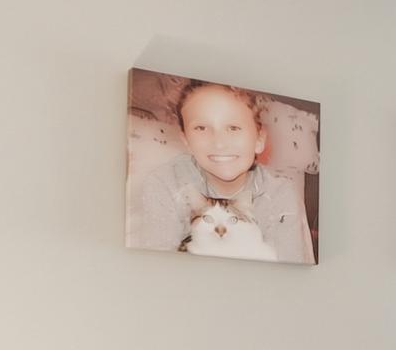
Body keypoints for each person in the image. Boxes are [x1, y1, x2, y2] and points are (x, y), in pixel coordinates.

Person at [135, 80, 315, 263]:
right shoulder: (164, 182)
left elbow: (290, 275)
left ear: (259, 139)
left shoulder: (279, 193)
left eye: (233, 128)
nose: (219, 144)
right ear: (186, 140)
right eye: (201, 128)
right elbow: (156, 269)